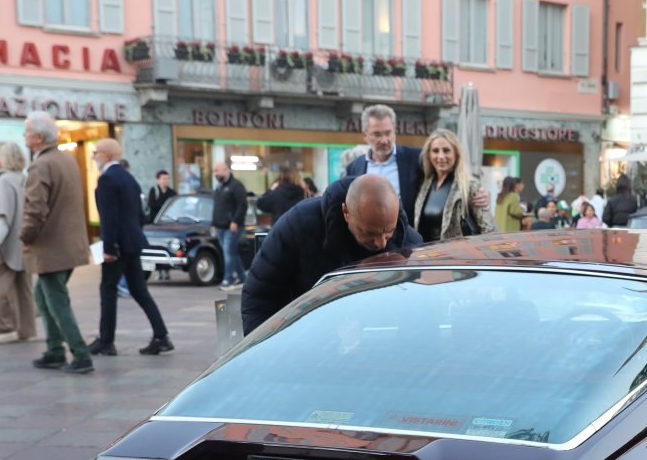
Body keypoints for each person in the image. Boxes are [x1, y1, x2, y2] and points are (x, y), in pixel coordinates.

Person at [242, 174, 423, 335]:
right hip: (307, 338)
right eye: (369, 233)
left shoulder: (408, 242)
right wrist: (262, 350)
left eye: (389, 231)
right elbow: (260, 295)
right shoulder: (299, 225)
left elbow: (416, 308)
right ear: (346, 212)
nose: (381, 243)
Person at [19, 111, 96, 374]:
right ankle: (54, 350)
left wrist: (25, 235)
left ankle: (80, 354)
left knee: (56, 301)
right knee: (43, 295)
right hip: (69, 244)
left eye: (27, 132)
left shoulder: (41, 165)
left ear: (39, 138)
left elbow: (35, 208)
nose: (24, 137)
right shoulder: (66, 159)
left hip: (51, 246)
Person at [88, 138, 172, 358]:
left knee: (108, 289)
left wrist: (109, 247)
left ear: (106, 155)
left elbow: (109, 218)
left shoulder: (107, 179)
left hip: (118, 245)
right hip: (133, 243)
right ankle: (161, 336)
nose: (94, 157)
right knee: (139, 290)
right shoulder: (129, 178)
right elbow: (139, 215)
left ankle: (106, 341)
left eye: (96, 153)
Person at [0, 141, 36, 344]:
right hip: (22, 242)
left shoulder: (4, 181)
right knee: (23, 287)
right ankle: (27, 329)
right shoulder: (23, 179)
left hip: (7, 244)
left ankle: (2, 328)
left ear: (3, 159)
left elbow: (3, 216)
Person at [411, 129, 494, 243]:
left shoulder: (469, 185)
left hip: (458, 252)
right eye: (435, 151)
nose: (441, 156)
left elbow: (488, 229)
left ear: (456, 153)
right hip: (426, 252)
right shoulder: (424, 185)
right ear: (429, 155)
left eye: (446, 150)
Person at [210, 159, 249, 291]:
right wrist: (214, 223)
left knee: (229, 252)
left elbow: (242, 205)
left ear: (226, 170)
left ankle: (229, 279)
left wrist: (235, 221)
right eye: (214, 171)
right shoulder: (219, 187)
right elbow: (217, 207)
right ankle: (241, 277)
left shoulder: (236, 186)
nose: (215, 174)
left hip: (232, 227)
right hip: (220, 226)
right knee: (231, 252)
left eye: (217, 171)